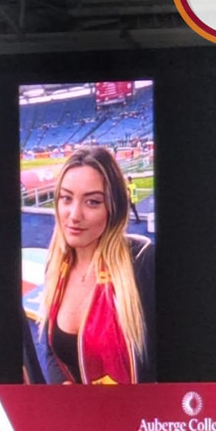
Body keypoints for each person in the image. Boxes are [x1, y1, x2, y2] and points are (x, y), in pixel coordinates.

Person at [38, 147, 154, 385]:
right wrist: (61, 385)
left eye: (92, 202)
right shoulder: (55, 266)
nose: (74, 215)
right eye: (66, 198)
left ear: (113, 208)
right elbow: (52, 352)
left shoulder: (142, 263)